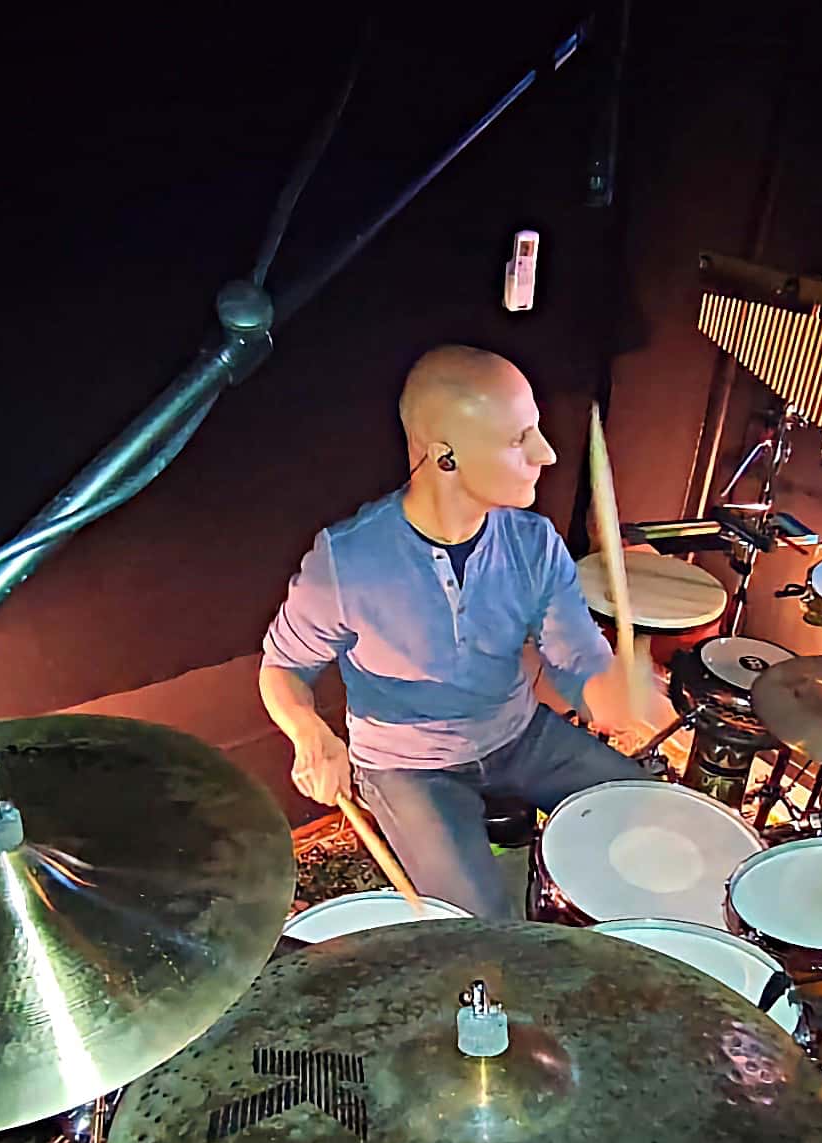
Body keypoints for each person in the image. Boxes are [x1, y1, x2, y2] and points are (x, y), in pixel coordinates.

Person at [258, 345, 649, 919]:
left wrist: (606, 689)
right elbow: (283, 667)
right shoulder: (347, 560)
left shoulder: (534, 542)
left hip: (518, 734)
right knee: (476, 931)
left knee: (648, 816)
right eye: (521, 439)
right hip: (407, 765)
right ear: (446, 457)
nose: (547, 454)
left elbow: (575, 657)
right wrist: (308, 732)